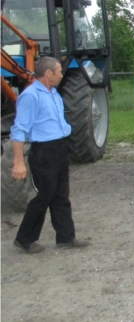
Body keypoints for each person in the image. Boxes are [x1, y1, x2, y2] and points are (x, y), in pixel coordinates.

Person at [11, 57, 90, 253]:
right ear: (48, 74)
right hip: (43, 152)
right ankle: (24, 239)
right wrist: (18, 162)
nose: (61, 75)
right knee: (44, 195)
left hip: (60, 147)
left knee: (61, 195)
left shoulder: (53, 93)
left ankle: (65, 237)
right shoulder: (30, 96)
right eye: (58, 71)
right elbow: (19, 130)